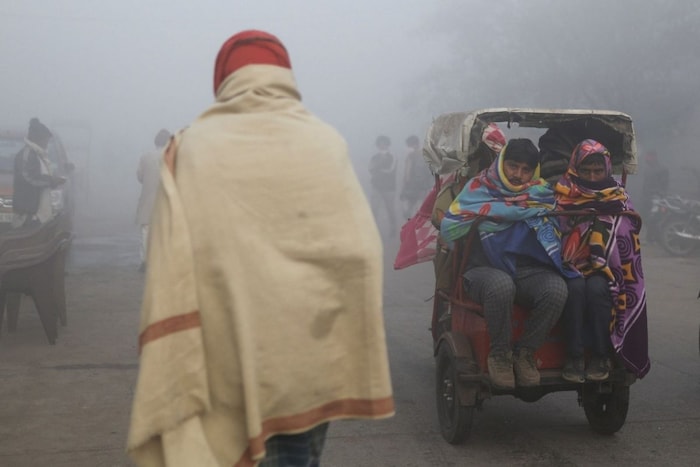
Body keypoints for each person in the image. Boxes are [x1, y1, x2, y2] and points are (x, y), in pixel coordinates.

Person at [127, 30, 394, 467]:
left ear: (224, 80)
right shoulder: (326, 141)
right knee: (298, 454)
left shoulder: (194, 146)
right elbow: (361, 250)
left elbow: (170, 257)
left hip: (226, 355)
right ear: (285, 77)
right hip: (312, 360)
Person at [440, 139, 573, 389]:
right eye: (513, 166)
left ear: (534, 171)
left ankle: (525, 353)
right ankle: (499, 355)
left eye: (526, 169)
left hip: (526, 271)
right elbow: (450, 225)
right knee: (501, 285)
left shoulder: (541, 194)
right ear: (501, 164)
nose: (518, 175)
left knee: (557, 289)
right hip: (480, 271)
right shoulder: (478, 189)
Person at [555, 139, 650, 383]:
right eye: (586, 171)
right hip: (568, 266)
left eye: (598, 171)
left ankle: (600, 356)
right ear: (575, 169)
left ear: (607, 169)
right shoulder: (562, 193)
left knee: (598, 289)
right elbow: (553, 233)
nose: (592, 177)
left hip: (608, 268)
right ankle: (574, 357)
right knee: (575, 288)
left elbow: (626, 237)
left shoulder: (619, 197)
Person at [431, 123, 506, 323]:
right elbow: (439, 217)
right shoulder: (455, 189)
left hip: (498, 245)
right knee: (449, 243)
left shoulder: (510, 187)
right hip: (464, 245)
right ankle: (447, 307)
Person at [12, 118, 65, 228]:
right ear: (38, 139)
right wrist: (52, 181)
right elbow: (29, 178)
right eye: (46, 141)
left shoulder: (38, 154)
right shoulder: (27, 154)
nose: (46, 144)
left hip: (37, 211)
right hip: (28, 211)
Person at [135, 128, 170, 272]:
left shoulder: (145, 157)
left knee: (146, 231)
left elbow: (140, 177)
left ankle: (145, 260)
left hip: (148, 200)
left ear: (156, 141)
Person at [368, 135, 398, 237]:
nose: (382, 145)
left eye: (384, 143)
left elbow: (391, 170)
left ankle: (393, 228)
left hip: (389, 188)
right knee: (374, 209)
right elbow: (370, 169)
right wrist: (378, 168)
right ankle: (373, 231)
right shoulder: (374, 157)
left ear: (387, 144)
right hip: (376, 187)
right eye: (380, 143)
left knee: (390, 209)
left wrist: (378, 168)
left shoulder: (392, 156)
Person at [399, 135, 432, 219]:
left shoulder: (424, 157)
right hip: (410, 188)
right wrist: (404, 189)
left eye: (410, 145)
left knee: (418, 209)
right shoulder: (408, 157)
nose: (409, 148)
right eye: (408, 146)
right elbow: (406, 175)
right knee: (407, 210)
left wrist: (427, 187)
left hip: (420, 188)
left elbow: (428, 173)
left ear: (416, 145)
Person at [639, 150, 669, 242]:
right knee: (645, 217)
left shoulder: (662, 169)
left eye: (649, 156)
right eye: (647, 156)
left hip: (656, 197)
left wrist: (660, 194)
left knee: (653, 218)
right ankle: (652, 237)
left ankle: (653, 238)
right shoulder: (647, 169)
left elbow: (664, 184)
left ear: (654, 157)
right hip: (647, 196)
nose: (647, 158)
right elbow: (645, 183)